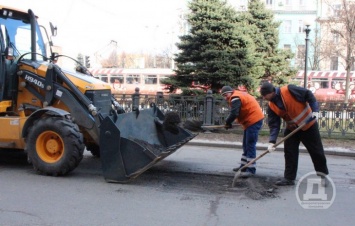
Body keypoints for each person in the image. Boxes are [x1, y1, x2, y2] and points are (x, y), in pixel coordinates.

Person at [260, 82, 329, 186]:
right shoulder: (271, 106)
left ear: (271, 92)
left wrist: (315, 111)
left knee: (316, 151)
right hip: (292, 129)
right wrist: (272, 142)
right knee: (289, 152)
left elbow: (308, 94)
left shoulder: (289, 90)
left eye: (265, 95)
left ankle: (323, 176)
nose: (264, 98)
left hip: (308, 125)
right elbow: (274, 125)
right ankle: (289, 178)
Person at [221, 86, 264, 178]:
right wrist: (230, 123)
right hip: (251, 121)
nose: (225, 97)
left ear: (230, 92)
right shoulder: (238, 94)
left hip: (253, 120)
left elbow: (234, 113)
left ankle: (251, 170)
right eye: (223, 96)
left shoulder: (235, 97)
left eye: (226, 95)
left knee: (250, 144)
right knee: (246, 144)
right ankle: (244, 166)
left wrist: (227, 122)